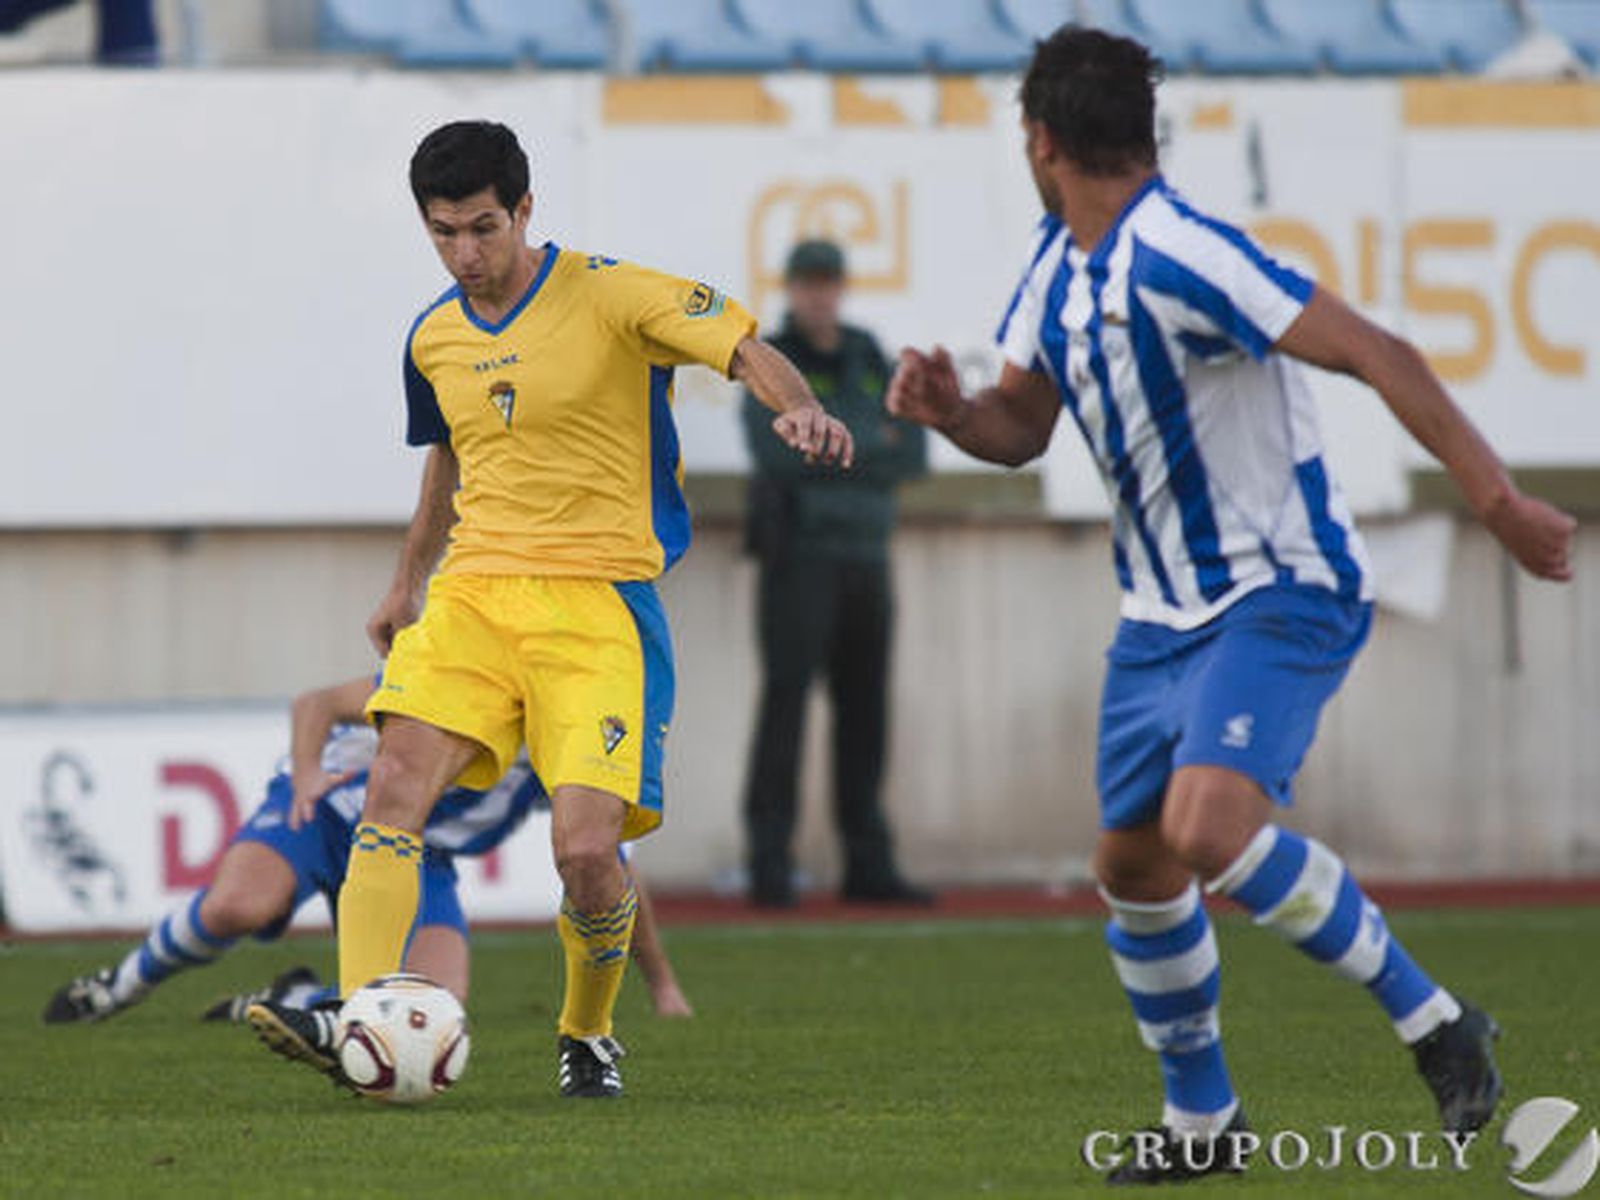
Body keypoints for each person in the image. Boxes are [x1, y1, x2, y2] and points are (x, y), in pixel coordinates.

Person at [886, 26, 1576, 1185]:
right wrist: (954, 414)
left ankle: (1438, 1023)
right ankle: (1203, 1126)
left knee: (1207, 830)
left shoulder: (1186, 254)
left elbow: (1377, 351)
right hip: (1156, 621)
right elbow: (1022, 425)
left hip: (1279, 586)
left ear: (1041, 140)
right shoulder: (1056, 267)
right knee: (1135, 865)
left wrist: (1495, 499)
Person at [247, 121, 851, 1100]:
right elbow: (448, 460)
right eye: (443, 234)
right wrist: (406, 583)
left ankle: (587, 1031)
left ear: (526, 210)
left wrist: (799, 405)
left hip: (598, 603)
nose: (466, 254)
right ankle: (359, 1013)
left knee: (583, 848)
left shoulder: (613, 294)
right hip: (475, 596)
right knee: (394, 778)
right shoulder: (434, 336)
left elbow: (739, 344)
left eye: (483, 228)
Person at [43, 676, 693, 1040]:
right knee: (240, 904)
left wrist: (662, 986)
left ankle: (301, 997)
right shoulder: (462, 679)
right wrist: (303, 775)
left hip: (420, 855)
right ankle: (121, 984)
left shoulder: (572, 743)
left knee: (438, 1005)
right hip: (330, 815)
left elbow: (610, 870)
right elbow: (315, 703)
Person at [740, 239, 931, 908]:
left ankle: (869, 864)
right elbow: (778, 453)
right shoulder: (769, 361)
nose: (819, 295)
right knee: (785, 710)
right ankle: (769, 864)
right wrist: (862, 441)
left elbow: (912, 448)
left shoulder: (868, 354)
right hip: (800, 559)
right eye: (807, 283)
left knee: (866, 714)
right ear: (790, 289)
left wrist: (836, 444)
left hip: (867, 558)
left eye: (828, 283)